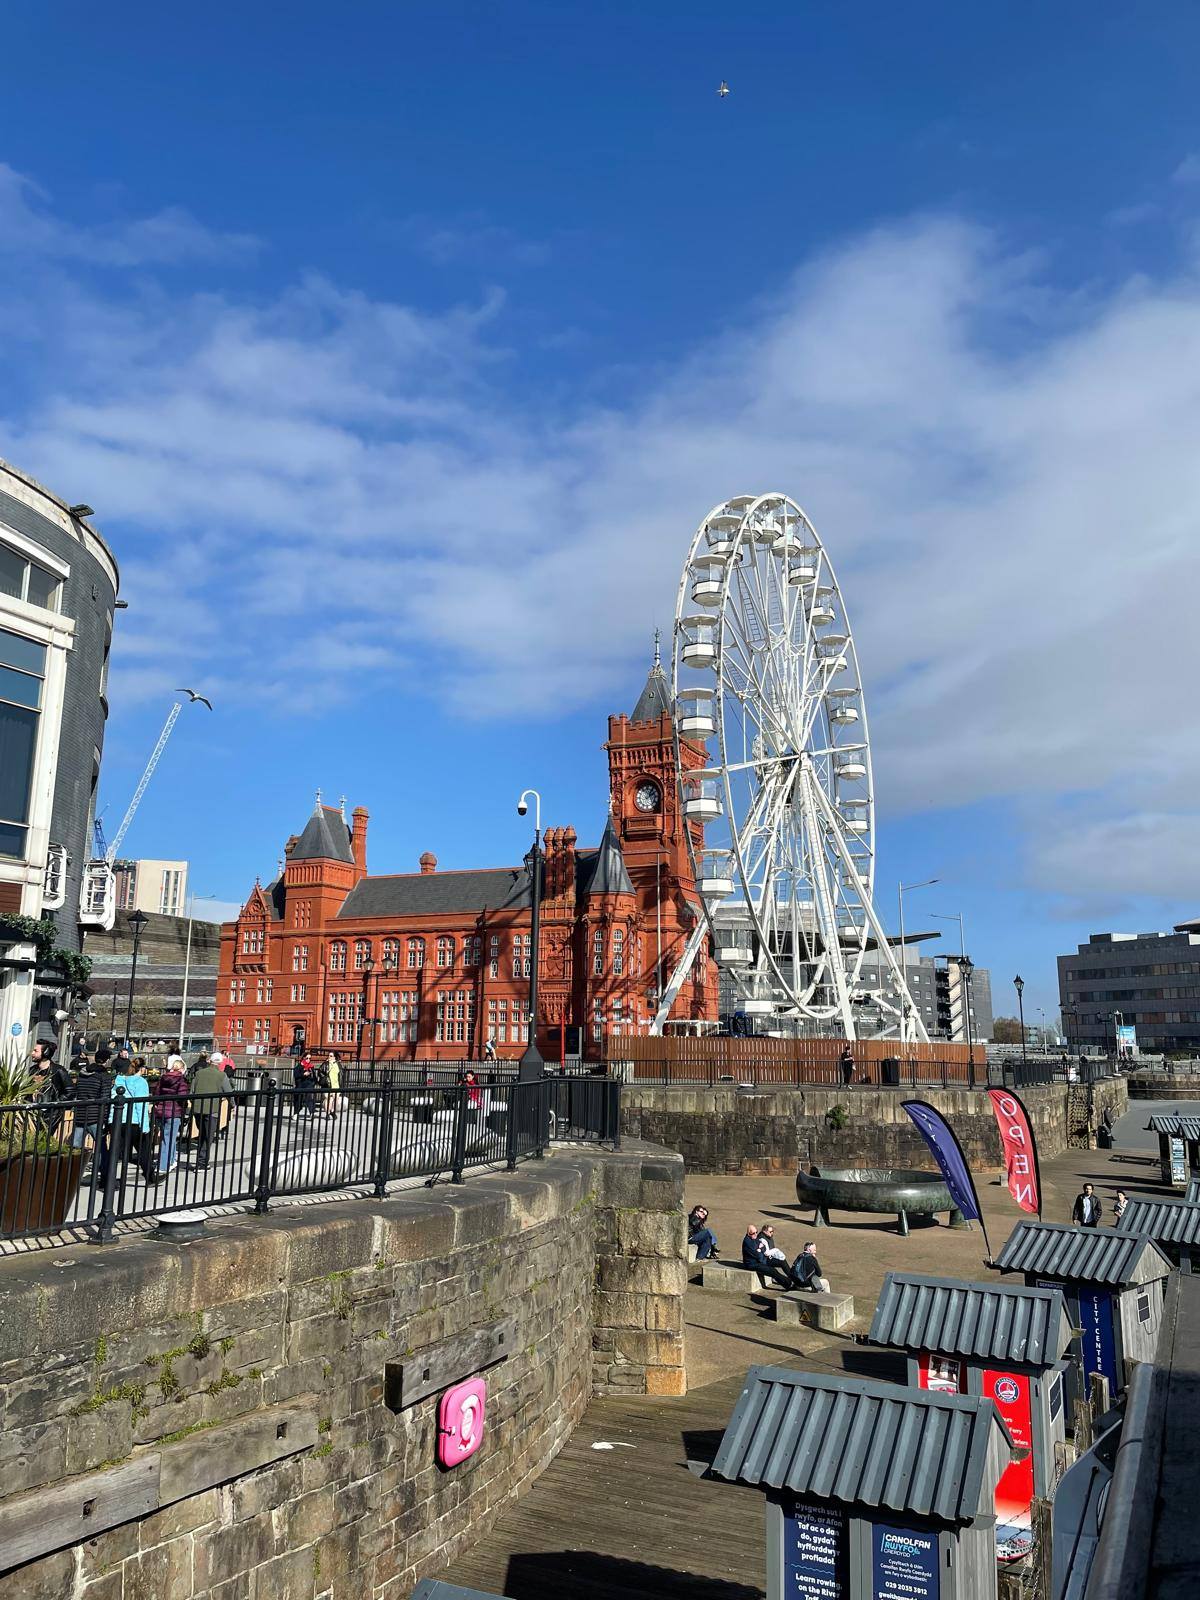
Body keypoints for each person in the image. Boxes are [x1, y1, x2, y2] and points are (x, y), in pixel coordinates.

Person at [105, 1056, 157, 1186]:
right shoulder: (141, 1082)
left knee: (115, 1151)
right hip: (133, 1120)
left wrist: (110, 1120)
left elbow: (113, 1101)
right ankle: (150, 1177)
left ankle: (107, 1179)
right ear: (142, 1069)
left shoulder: (118, 1081)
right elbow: (141, 1105)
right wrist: (145, 1126)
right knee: (143, 1150)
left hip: (117, 1120)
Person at [189, 1054, 231, 1168]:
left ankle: (201, 1161)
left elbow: (191, 1092)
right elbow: (229, 1092)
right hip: (213, 1110)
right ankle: (202, 1162)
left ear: (210, 1061)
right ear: (220, 1063)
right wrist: (233, 1105)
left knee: (202, 1134)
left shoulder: (198, 1073)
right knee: (208, 1137)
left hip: (198, 1108)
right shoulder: (222, 1075)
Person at [153, 1055, 190, 1174]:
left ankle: (172, 1160)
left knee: (167, 1137)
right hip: (174, 1111)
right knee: (168, 1138)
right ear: (181, 1069)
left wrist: (158, 1104)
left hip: (162, 1110)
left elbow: (156, 1093)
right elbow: (182, 1097)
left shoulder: (163, 1078)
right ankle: (163, 1165)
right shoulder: (181, 1080)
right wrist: (184, 1107)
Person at [742, 1224, 794, 1289]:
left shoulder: (755, 1238)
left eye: (756, 1232)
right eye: (753, 1233)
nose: (755, 1234)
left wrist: (759, 1250)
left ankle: (794, 1279)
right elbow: (759, 1256)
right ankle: (788, 1284)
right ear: (748, 1233)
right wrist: (760, 1249)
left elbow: (763, 1249)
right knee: (772, 1271)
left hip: (763, 1259)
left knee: (781, 1261)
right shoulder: (748, 1242)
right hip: (753, 1264)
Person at [324, 1052, 341, 1118]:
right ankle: (327, 1114)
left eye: (331, 1056)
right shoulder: (326, 1064)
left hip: (336, 1085)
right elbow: (320, 1072)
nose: (329, 1057)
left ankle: (332, 1111)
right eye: (328, 1055)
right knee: (328, 1099)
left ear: (334, 1057)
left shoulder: (338, 1064)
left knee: (336, 1099)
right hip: (328, 1084)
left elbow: (341, 1074)